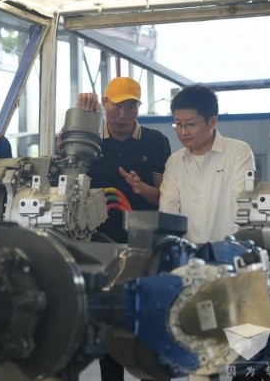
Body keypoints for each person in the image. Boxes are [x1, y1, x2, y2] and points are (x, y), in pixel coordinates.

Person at [75, 76, 172, 381]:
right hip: (98, 244)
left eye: (130, 107)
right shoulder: (89, 138)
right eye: (116, 106)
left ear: (138, 109)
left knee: (150, 315)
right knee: (107, 319)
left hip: (145, 243)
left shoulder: (156, 141)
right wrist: (80, 118)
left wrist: (143, 189)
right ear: (104, 103)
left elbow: (164, 195)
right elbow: (65, 170)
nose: (122, 115)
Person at [158, 84, 255, 244]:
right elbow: (168, 210)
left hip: (230, 252)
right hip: (187, 255)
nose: (183, 132)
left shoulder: (238, 152)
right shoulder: (175, 162)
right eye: (178, 124)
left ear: (212, 122)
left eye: (191, 124)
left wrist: (235, 248)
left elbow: (243, 204)